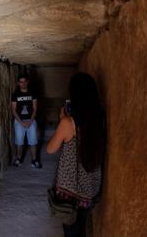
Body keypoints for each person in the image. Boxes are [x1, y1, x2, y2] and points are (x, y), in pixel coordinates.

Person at [47, 72, 105, 237]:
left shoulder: (68, 122)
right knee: (82, 227)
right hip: (90, 188)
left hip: (69, 192)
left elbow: (50, 149)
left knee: (71, 231)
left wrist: (61, 120)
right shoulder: (99, 119)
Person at [11, 74, 42, 168]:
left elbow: (35, 108)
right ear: (18, 83)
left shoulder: (33, 93)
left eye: (24, 81)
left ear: (27, 82)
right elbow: (13, 110)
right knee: (19, 141)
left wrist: (30, 121)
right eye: (21, 82)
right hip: (19, 121)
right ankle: (19, 158)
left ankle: (34, 160)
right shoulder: (15, 94)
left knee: (33, 141)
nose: (23, 84)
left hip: (31, 120)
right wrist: (21, 122)